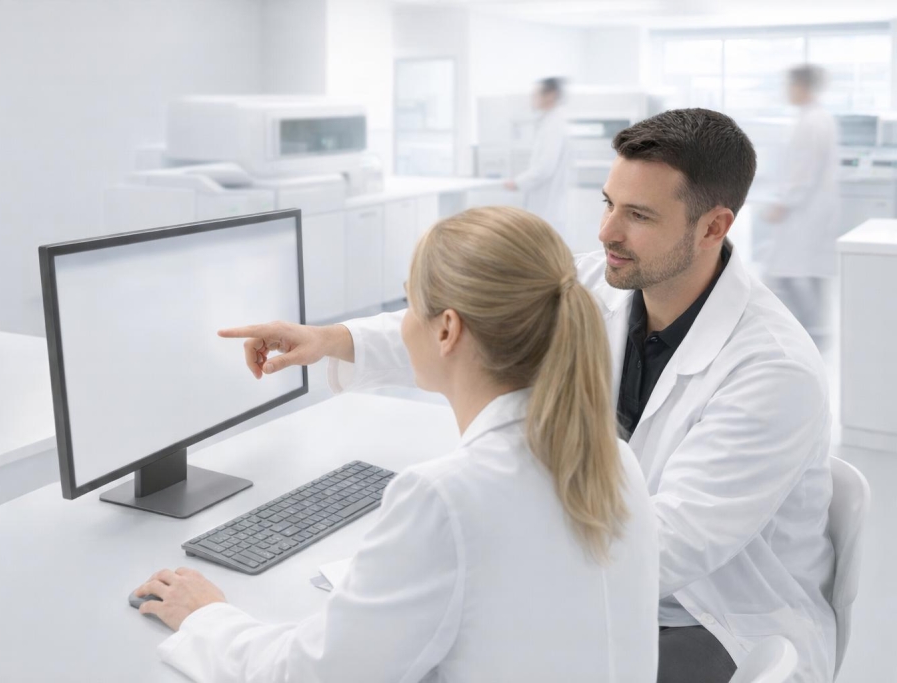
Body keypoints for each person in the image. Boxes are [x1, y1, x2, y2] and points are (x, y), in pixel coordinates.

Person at [210, 109, 836, 683]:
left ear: (714, 227)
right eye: (608, 203)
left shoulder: (774, 372)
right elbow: (480, 327)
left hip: (709, 619)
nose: (607, 231)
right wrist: (330, 339)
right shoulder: (603, 282)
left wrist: (448, 562)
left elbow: (663, 545)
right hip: (611, 583)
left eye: (639, 216)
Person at [134, 207, 660, 682]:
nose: (404, 323)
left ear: (447, 329)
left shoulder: (445, 497)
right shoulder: (613, 459)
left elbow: (308, 676)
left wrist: (207, 617)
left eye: (411, 303)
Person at [762, 64, 840, 342]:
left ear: (802, 87)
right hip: (810, 211)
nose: (787, 91)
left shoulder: (812, 122)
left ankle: (807, 334)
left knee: (787, 272)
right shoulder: (817, 118)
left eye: (790, 85)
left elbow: (803, 171)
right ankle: (813, 332)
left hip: (803, 212)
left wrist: (782, 203)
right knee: (804, 273)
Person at [504, 77, 572, 234]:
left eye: (535, 94)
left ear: (550, 95)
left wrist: (517, 182)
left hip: (548, 206)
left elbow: (545, 168)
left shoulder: (555, 124)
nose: (532, 99)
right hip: (548, 205)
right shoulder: (550, 121)